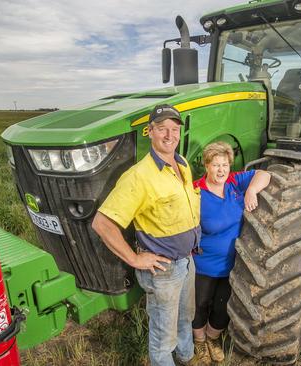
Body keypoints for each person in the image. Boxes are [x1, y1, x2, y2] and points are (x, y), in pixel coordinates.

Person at [92, 104, 201, 366]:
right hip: (164, 270)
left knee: (186, 317)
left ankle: (187, 358)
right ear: (149, 132)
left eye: (174, 129)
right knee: (164, 337)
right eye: (161, 128)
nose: (169, 135)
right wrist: (134, 258)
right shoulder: (138, 176)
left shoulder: (181, 164)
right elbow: (102, 223)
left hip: (187, 261)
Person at [191, 142, 270, 364]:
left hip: (233, 265)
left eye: (224, 164)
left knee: (223, 306)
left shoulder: (234, 183)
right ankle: (199, 344)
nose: (221, 170)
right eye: (216, 165)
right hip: (203, 265)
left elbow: (265, 174)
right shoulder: (196, 191)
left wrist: (252, 190)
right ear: (207, 165)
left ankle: (212, 339)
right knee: (200, 305)